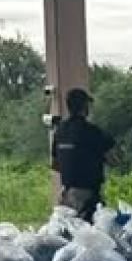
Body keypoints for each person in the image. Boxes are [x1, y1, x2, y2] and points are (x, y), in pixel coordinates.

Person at [51, 88, 116, 223]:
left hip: (66, 194)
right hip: (87, 196)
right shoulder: (92, 131)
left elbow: (55, 165)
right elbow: (113, 160)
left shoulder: (60, 131)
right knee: (91, 235)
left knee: (70, 233)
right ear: (85, 106)